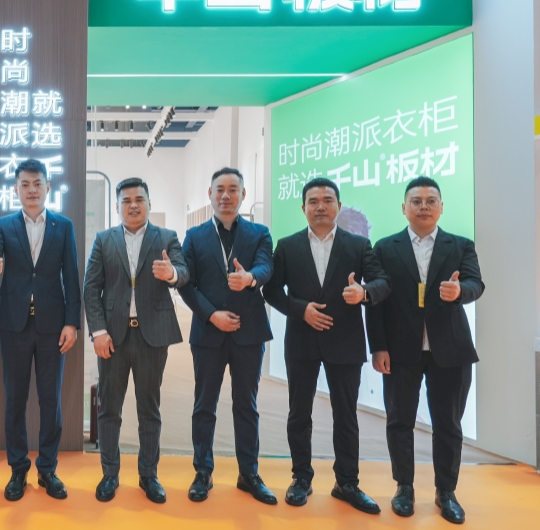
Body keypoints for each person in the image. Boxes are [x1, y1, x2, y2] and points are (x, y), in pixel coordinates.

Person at [263, 177, 390, 514]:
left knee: (346, 416)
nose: (320, 206)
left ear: (338, 205)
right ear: (303, 207)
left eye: (327, 200)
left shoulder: (358, 245)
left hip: (345, 341)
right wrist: (300, 309)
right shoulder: (287, 246)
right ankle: (301, 478)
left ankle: (347, 483)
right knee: (299, 414)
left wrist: (364, 292)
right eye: (313, 201)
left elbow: (382, 282)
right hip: (301, 341)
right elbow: (271, 291)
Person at [366, 176, 483, 525]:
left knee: (448, 424)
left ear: (441, 207)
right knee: (399, 421)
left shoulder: (460, 245)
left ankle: (446, 492)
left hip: (450, 349)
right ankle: (404, 487)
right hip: (400, 351)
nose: (423, 207)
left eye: (431, 201)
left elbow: (476, 283)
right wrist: (378, 347)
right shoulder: (385, 248)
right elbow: (376, 301)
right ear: (404, 208)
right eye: (416, 201)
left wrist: (460, 292)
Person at [84, 178, 188, 504]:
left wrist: (172, 274)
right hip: (112, 338)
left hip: (151, 337)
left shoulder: (166, 237)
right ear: (117, 206)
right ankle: (109, 474)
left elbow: (183, 272)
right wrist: (98, 331)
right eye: (126, 200)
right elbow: (91, 288)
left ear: (149, 203)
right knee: (109, 409)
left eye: (139, 199)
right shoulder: (104, 240)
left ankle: (149, 475)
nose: (133, 205)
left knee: (149, 409)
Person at [0, 159, 81, 501]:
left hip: (53, 326)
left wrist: (72, 322)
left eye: (37, 183)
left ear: (48, 187)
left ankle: (48, 469)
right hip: (15, 324)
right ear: (16, 189)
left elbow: (72, 276)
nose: (31, 190)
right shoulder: (4, 225)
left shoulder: (63, 226)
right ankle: (18, 469)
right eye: (24, 184)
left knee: (51, 399)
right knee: (15, 399)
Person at [178, 167, 277, 505]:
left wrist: (250, 278)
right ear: (210, 194)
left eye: (233, 189)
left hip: (249, 333)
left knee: (246, 406)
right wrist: (211, 315)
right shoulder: (194, 236)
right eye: (219, 189)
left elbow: (266, 267)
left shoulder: (260, 233)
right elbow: (186, 284)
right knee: (204, 404)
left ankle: (249, 473)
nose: (225, 195)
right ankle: (202, 472)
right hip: (208, 332)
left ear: (243, 194)